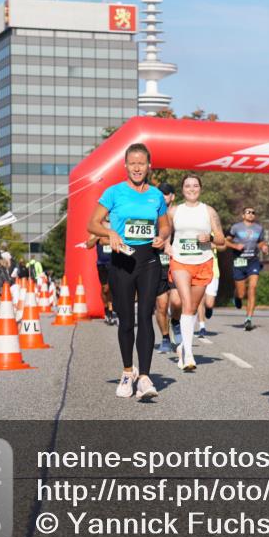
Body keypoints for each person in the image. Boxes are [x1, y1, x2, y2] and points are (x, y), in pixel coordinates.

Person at [88, 143, 171, 400]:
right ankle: (127, 372)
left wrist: (162, 236)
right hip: (122, 261)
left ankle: (145, 376)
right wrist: (110, 232)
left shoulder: (156, 195)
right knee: (126, 320)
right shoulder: (113, 193)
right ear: (125, 165)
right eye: (132, 163)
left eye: (141, 163)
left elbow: (165, 224)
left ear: (149, 166)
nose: (137, 167)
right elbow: (92, 222)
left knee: (146, 315)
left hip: (148, 260)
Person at [167, 174, 225, 371]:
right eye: (187, 186)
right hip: (180, 261)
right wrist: (166, 246)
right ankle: (189, 354)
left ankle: (183, 346)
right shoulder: (174, 211)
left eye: (195, 186)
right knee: (186, 303)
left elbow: (221, 239)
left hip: (203, 262)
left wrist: (208, 237)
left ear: (200, 188)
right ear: (182, 189)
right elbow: (164, 232)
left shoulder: (208, 211)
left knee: (191, 309)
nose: (191, 189)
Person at [227, 206, 269, 331]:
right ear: (243, 215)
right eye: (248, 212)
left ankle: (248, 319)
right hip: (239, 260)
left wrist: (264, 247)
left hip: (253, 261)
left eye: (253, 213)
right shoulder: (236, 227)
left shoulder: (259, 228)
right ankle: (237, 296)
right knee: (241, 293)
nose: (251, 214)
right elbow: (225, 241)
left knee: (253, 287)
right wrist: (235, 245)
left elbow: (260, 242)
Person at [154, 183, 177, 352]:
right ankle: (165, 337)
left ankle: (176, 322)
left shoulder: (181, 214)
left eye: (166, 194)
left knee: (177, 302)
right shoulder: (151, 214)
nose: (163, 197)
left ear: (172, 197)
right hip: (158, 263)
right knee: (161, 305)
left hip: (178, 263)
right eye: (160, 194)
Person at [85, 230, 116, 325]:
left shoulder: (115, 227)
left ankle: (111, 312)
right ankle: (106, 308)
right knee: (105, 289)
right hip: (102, 264)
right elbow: (88, 245)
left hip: (115, 263)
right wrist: (97, 238)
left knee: (112, 287)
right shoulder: (97, 230)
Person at [196, 243, 223, 337]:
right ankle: (202, 327)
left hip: (213, 271)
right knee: (200, 300)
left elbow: (223, 246)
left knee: (209, 303)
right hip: (198, 270)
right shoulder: (194, 232)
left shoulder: (214, 233)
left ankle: (209, 308)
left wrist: (214, 245)